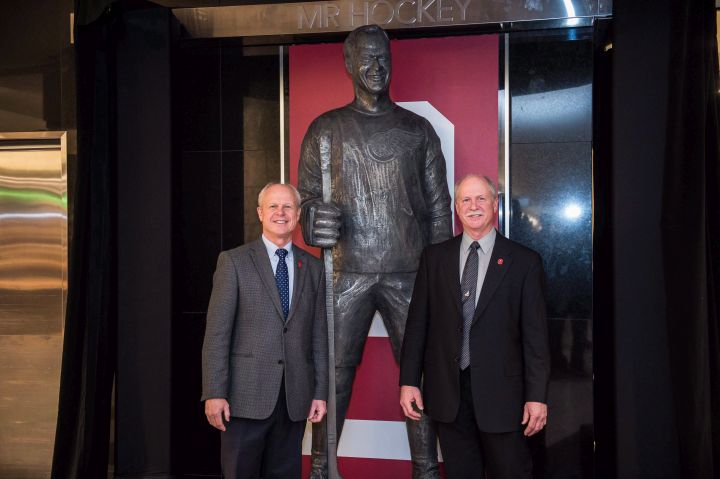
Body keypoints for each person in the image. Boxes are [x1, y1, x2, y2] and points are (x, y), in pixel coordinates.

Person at [298, 24, 451, 479]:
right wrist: (312, 218)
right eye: (366, 58)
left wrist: (439, 277)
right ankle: (324, 468)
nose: (376, 67)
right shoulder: (325, 130)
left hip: (411, 272)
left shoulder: (417, 130)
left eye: (383, 57)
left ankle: (426, 470)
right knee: (335, 374)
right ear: (348, 64)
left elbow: (439, 207)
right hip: (348, 272)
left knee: (419, 373)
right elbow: (305, 198)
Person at [399, 174, 551, 479]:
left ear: (495, 205)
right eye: (466, 200)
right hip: (448, 396)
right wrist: (409, 380)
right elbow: (418, 326)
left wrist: (537, 396)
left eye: (481, 198)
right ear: (456, 208)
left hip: (504, 398)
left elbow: (536, 338)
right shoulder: (434, 258)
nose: (474, 206)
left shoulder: (524, 262)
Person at [201, 182, 328, 479]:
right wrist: (214, 392)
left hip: (294, 400)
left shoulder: (313, 268)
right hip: (243, 399)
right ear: (260, 213)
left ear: (297, 215)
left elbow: (319, 336)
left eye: (287, 207)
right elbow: (217, 334)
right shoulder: (233, 262)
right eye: (273, 206)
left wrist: (320, 392)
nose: (280, 213)